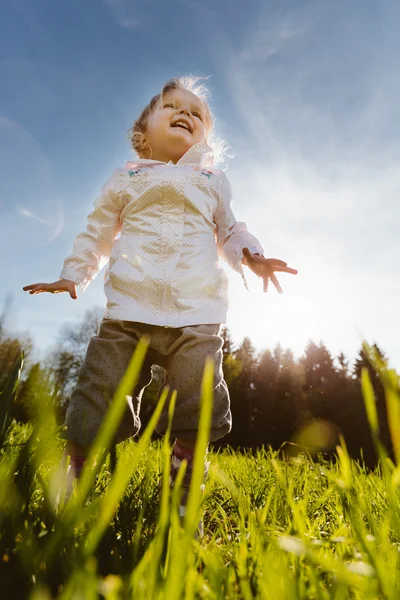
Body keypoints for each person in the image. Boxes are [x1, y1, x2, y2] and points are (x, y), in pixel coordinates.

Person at [23, 76, 297, 519]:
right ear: (142, 131)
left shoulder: (211, 181)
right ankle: (76, 471)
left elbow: (230, 229)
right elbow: (96, 234)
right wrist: (73, 276)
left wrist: (253, 256)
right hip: (129, 312)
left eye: (196, 113)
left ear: (206, 136)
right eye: (172, 105)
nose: (185, 113)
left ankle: (184, 477)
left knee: (198, 397)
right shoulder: (126, 178)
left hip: (196, 313)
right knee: (98, 392)